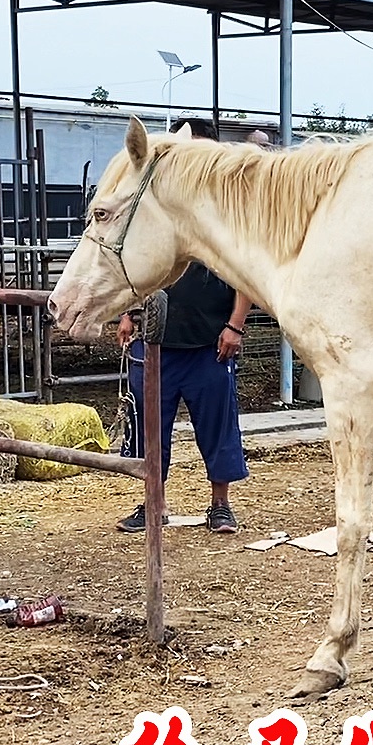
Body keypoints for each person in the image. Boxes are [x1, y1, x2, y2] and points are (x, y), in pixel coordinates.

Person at [116, 117, 252, 536]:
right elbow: (137, 266)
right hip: (154, 341)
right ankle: (152, 504)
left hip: (210, 341)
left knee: (217, 424)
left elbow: (245, 273)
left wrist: (235, 326)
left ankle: (220, 505)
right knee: (149, 427)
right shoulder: (155, 207)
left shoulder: (229, 214)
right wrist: (127, 312)